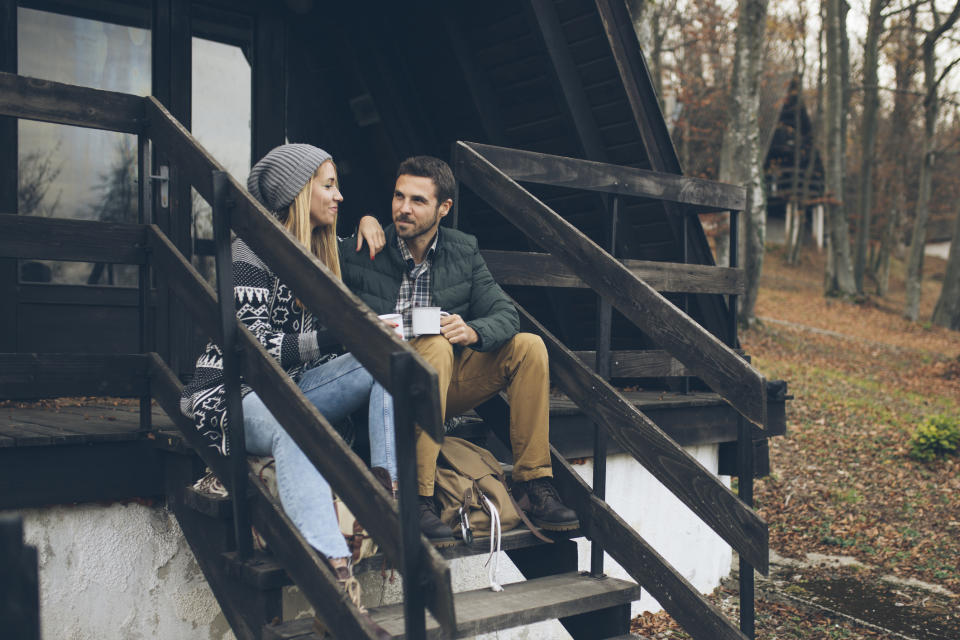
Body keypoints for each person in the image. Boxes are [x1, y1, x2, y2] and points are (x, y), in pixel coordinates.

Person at [180, 144, 391, 636]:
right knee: (294, 426)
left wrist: (370, 224)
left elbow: (389, 260)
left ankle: (387, 493)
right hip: (234, 393)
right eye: (329, 184)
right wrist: (326, 338)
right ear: (299, 192)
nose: (340, 195)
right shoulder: (250, 251)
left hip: (292, 389)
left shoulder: (321, 248)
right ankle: (338, 590)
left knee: (384, 364)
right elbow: (251, 350)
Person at [340, 155, 578, 544]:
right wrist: (361, 221)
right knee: (432, 341)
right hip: (382, 388)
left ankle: (536, 483)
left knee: (529, 347)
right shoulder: (365, 248)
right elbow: (315, 243)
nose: (403, 208)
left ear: (444, 208)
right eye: (399, 196)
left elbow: (505, 315)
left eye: (418, 200)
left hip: (440, 386)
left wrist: (472, 330)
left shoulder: (462, 252)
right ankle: (418, 497)